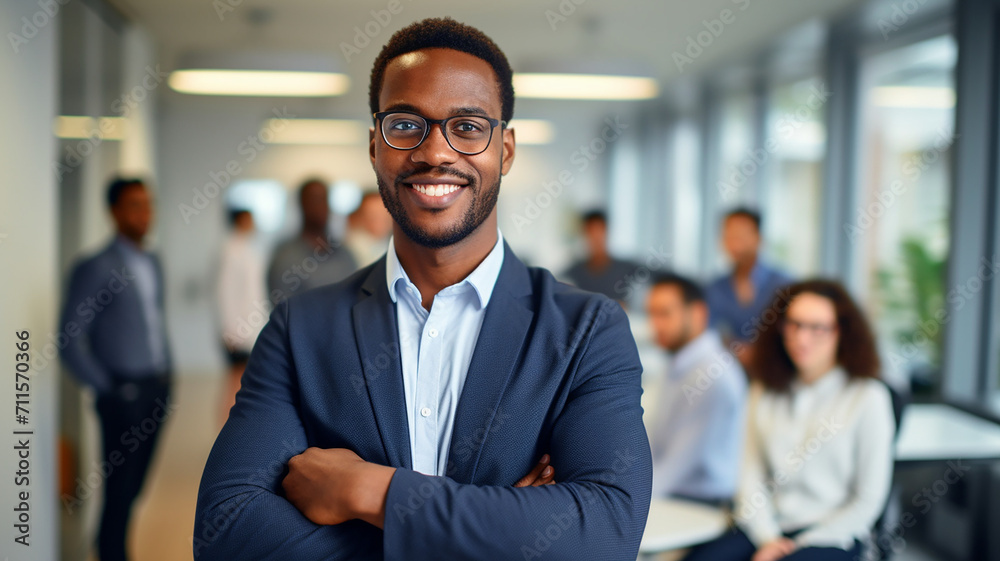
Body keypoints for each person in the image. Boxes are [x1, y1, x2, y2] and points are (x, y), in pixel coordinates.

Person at [195, 17, 651, 561]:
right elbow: (225, 530)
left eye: (467, 126)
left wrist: (370, 491)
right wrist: (493, 529)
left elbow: (605, 532)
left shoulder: (586, 330)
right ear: (374, 147)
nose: (435, 151)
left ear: (504, 150)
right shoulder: (300, 328)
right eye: (407, 125)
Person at [683, 280, 895, 561]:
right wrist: (767, 538)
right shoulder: (765, 389)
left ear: (841, 333)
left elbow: (868, 500)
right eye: (793, 324)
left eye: (817, 328)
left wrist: (802, 544)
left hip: (832, 533)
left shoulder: (868, 397)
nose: (802, 338)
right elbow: (750, 476)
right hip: (769, 523)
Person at [59, 178, 173, 561]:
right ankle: (112, 552)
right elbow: (69, 339)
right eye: (134, 205)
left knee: (136, 487)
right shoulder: (95, 267)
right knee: (120, 489)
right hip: (123, 394)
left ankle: (108, 545)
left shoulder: (152, 260)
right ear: (114, 212)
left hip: (157, 387)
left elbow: (154, 322)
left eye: (148, 204)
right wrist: (108, 388)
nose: (144, 214)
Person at [645, 273, 746, 505]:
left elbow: (678, 465)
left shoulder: (712, 375)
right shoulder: (676, 363)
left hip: (701, 503)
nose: (655, 325)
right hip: (674, 495)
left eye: (665, 314)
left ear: (699, 313)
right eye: (652, 314)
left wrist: (623, 500)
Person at [705, 208, 793, 365]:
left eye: (741, 236)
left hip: (776, 368)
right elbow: (710, 332)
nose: (734, 244)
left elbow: (791, 330)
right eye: (728, 236)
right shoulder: (714, 288)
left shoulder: (784, 285)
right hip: (726, 369)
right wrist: (735, 348)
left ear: (759, 238)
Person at [266, 178, 357, 303]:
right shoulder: (286, 257)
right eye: (314, 200)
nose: (320, 207)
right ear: (302, 204)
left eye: (323, 199)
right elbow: (282, 311)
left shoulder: (345, 254)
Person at [215, 208, 267, 423]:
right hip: (237, 330)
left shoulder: (247, 248)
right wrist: (230, 330)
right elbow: (224, 292)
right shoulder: (231, 250)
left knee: (243, 382)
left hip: (250, 326)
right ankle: (224, 431)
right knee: (234, 382)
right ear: (240, 220)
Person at [562, 210, 640, 304]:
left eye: (599, 231)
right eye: (591, 232)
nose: (596, 238)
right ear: (584, 234)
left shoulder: (627, 269)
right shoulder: (574, 273)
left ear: (606, 231)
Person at [345, 189, 393, 268]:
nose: (379, 221)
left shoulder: (398, 245)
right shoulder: (350, 248)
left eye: (383, 215)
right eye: (373, 215)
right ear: (361, 216)